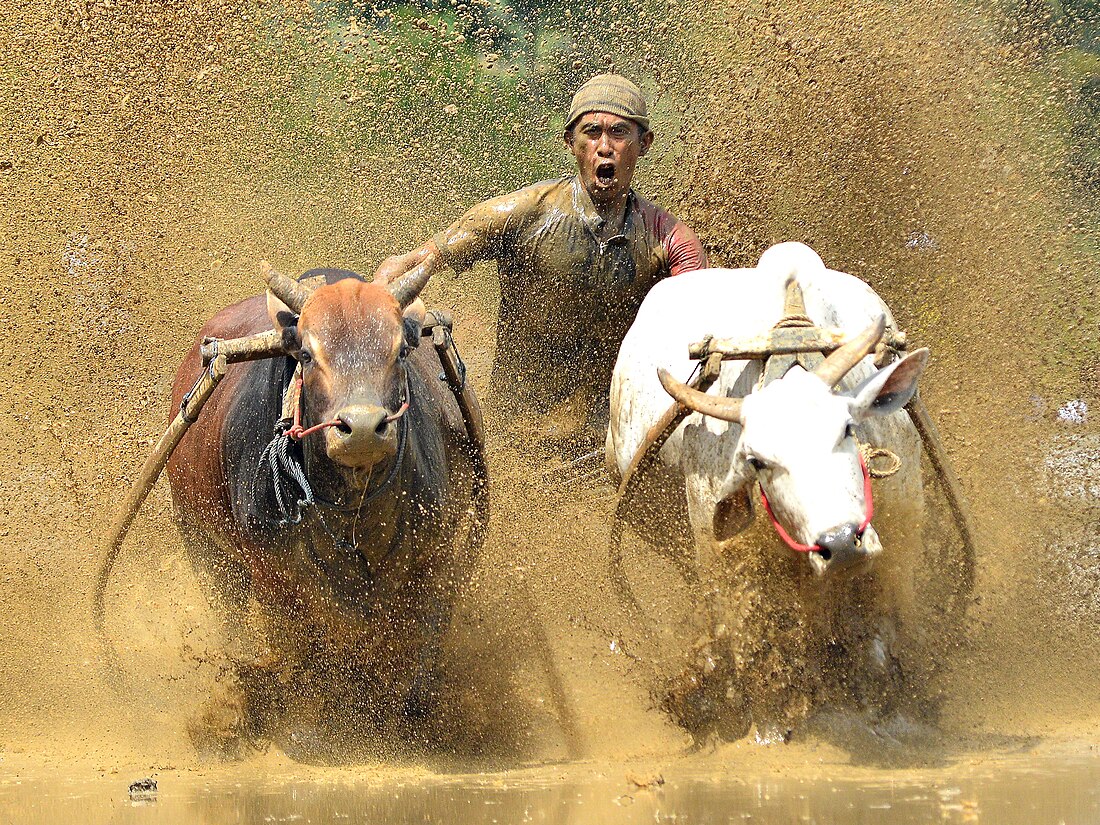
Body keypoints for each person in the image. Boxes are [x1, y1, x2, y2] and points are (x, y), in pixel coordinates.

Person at [376, 73, 708, 455]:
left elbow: (701, 320)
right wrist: (383, 295)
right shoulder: (524, 213)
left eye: (619, 133)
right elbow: (414, 264)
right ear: (571, 142)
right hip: (516, 434)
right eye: (591, 132)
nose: (604, 147)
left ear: (644, 143)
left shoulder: (668, 239)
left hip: (615, 442)